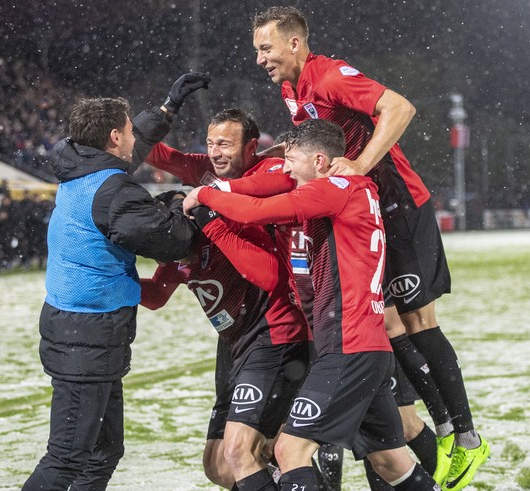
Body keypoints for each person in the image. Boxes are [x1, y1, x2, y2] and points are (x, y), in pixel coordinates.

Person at [251, 7, 488, 489]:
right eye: (258, 49)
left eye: (266, 47)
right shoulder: (290, 90)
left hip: (401, 202)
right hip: (368, 207)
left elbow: (399, 107)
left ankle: (464, 437)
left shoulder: (330, 74)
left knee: (419, 322)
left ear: (295, 43)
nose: (261, 58)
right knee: (385, 320)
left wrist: (359, 164)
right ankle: (432, 430)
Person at [184, 119, 439, 490]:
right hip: (365, 346)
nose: (285, 169)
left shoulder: (336, 187)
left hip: (346, 347)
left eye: (291, 159)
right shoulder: (358, 188)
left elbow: (254, 212)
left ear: (319, 160)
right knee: (390, 462)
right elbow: (267, 192)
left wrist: (205, 198)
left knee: (290, 451)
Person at [22, 71, 210, 491]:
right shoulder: (115, 191)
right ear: (112, 138)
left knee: (102, 453)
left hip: (78, 330)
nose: (132, 139)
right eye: (127, 130)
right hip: (87, 335)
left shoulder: (79, 165)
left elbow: (130, 150)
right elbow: (170, 240)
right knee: (67, 458)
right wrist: (187, 208)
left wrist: (166, 110)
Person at [144, 107, 312, 488]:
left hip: (278, 326)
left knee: (260, 450)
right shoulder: (206, 193)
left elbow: (267, 270)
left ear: (251, 147)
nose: (215, 152)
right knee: (220, 466)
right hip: (235, 341)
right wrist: (163, 111)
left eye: (225, 144)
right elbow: (159, 155)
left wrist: (211, 200)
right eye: (210, 144)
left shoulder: (266, 174)